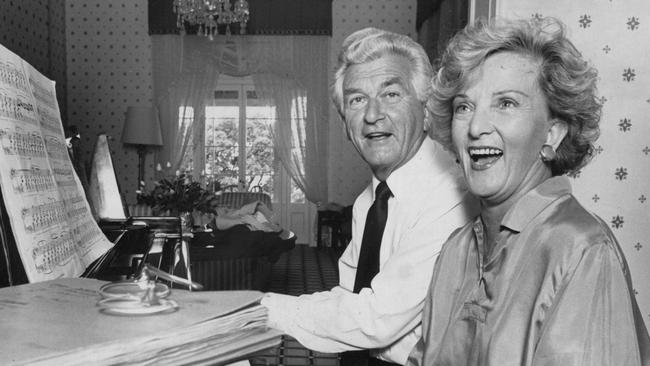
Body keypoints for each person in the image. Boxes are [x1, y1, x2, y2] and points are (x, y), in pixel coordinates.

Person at [407, 17, 650, 366]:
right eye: (464, 106)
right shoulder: (455, 251)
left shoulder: (581, 249)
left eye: (506, 103)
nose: (476, 127)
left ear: (552, 134)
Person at [261, 28, 477, 365]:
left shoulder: (451, 195)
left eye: (391, 94)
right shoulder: (370, 199)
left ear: (426, 109)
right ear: (345, 122)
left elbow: (377, 320)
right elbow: (351, 297)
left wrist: (259, 309)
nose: (372, 115)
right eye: (357, 99)